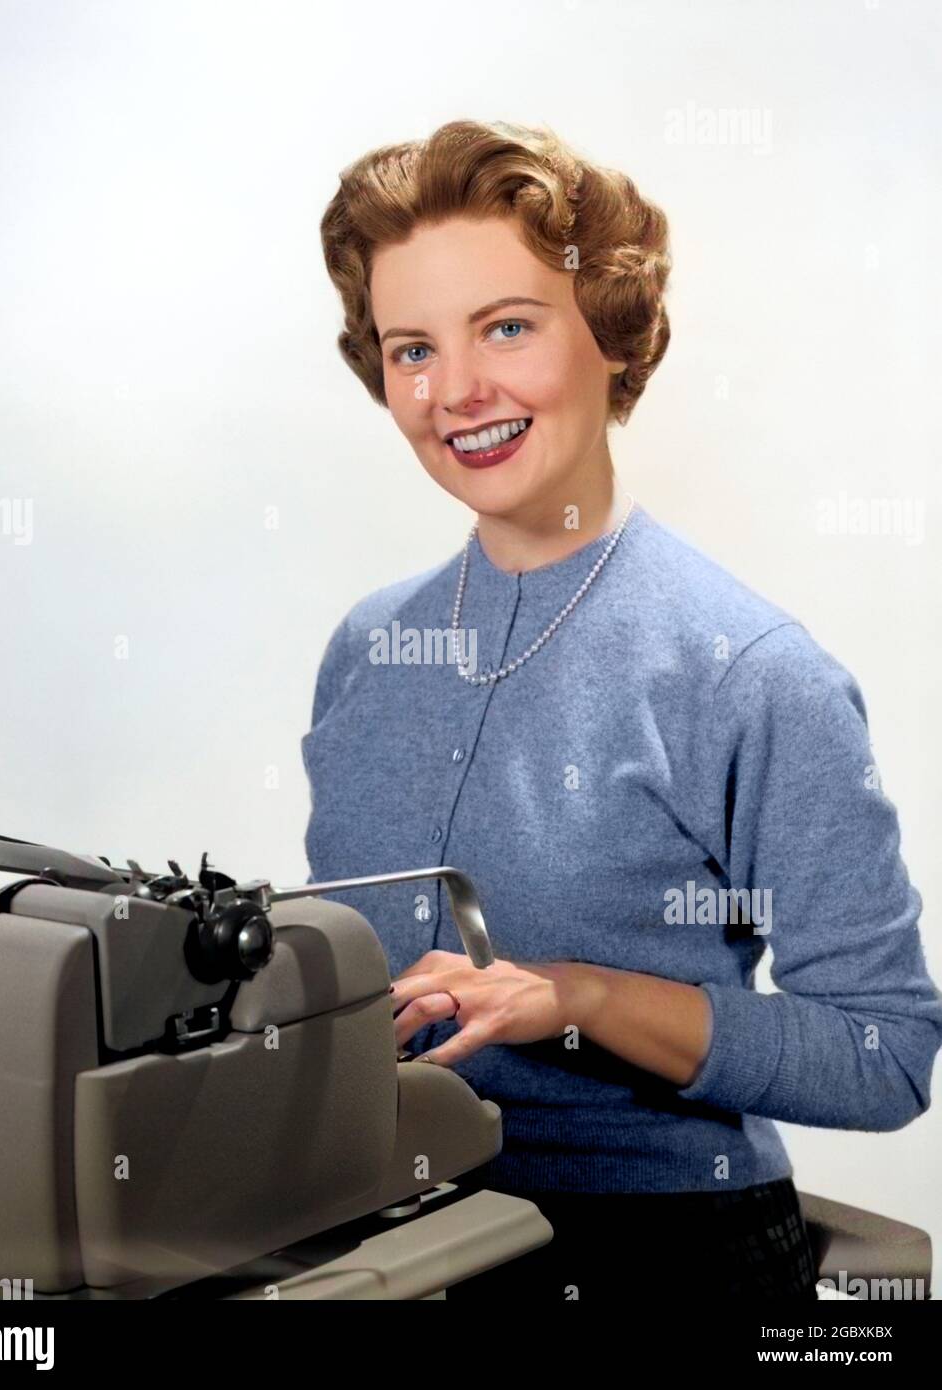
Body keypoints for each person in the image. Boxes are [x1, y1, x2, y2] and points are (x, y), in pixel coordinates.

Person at [303, 119, 942, 1300]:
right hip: (390, 1231)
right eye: (410, 349)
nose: (456, 392)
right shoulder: (367, 650)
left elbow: (885, 1053)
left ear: (609, 330)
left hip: (658, 1253)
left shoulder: (750, 672)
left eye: (506, 325)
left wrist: (580, 997)